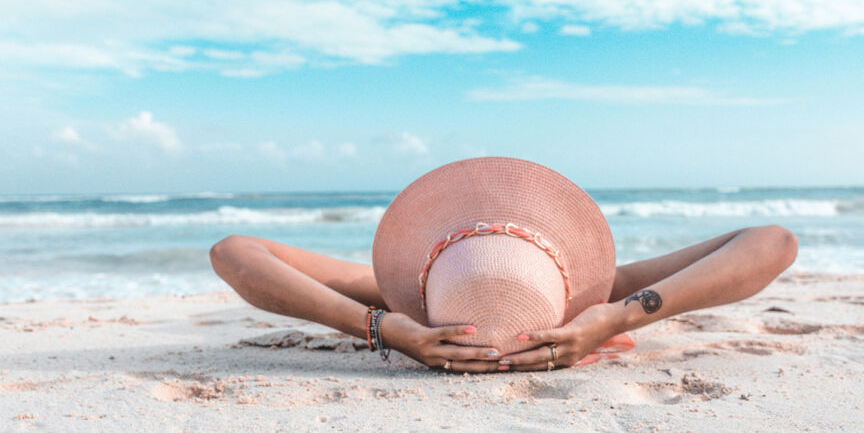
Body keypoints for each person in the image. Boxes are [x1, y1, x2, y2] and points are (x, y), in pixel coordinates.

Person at [210, 157, 798, 373]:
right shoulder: (599, 293)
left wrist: (380, 325)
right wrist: (615, 317)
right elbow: (772, 240)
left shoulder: (400, 299)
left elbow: (774, 242)